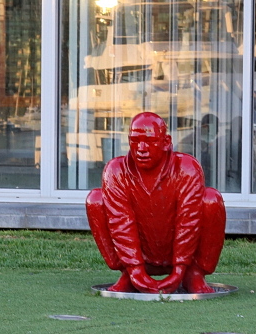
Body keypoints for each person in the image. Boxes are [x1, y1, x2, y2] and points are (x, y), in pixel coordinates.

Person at [86, 112, 226, 294]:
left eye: (150, 141)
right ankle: (127, 273)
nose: (141, 148)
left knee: (211, 200)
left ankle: (194, 273)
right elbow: (120, 221)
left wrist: (180, 269)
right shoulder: (116, 170)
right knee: (96, 200)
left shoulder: (186, 168)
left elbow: (188, 220)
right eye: (135, 141)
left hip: (181, 251)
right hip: (139, 251)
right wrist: (134, 269)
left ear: (166, 142)